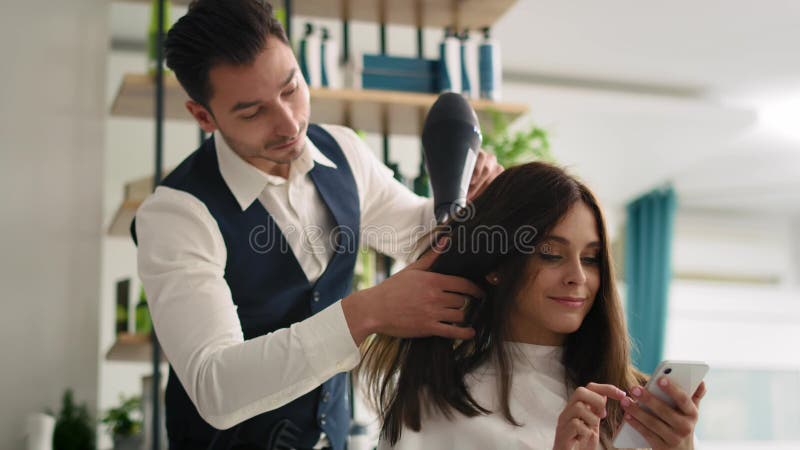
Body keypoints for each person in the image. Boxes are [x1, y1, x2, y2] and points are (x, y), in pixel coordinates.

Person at [133, 1, 503, 449]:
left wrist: (468, 200)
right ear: (203, 116)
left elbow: (418, 236)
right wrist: (367, 312)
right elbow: (216, 387)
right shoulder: (177, 214)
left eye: (291, 89)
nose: (288, 124)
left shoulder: (343, 151)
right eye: (253, 113)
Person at [358, 162, 707, 450]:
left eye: (591, 259)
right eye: (551, 255)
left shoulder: (630, 406)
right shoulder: (434, 410)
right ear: (496, 265)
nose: (578, 277)